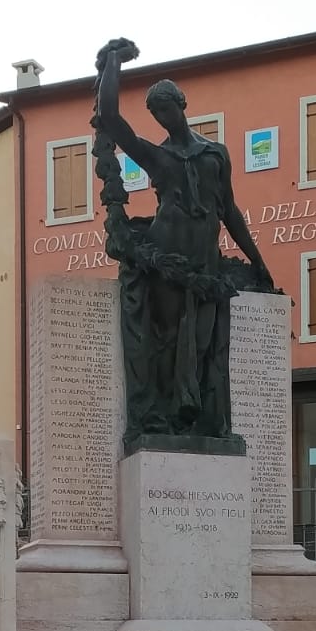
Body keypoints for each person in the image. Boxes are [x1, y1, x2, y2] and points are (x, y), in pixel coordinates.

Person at [94, 37, 275, 446]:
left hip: (206, 264)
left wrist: (257, 260)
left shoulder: (216, 153)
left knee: (206, 344)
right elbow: (110, 117)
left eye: (166, 107)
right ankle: (163, 423)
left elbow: (229, 210)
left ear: (182, 104)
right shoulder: (157, 157)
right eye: (155, 111)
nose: (161, 115)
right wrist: (112, 64)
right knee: (165, 342)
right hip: (167, 259)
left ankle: (201, 424)